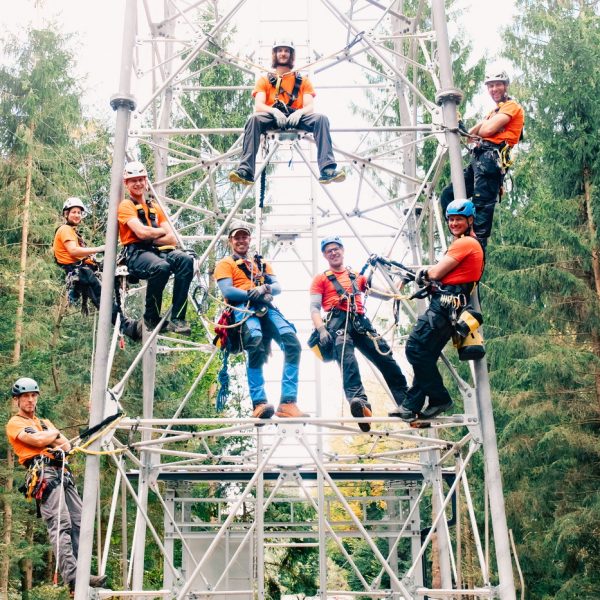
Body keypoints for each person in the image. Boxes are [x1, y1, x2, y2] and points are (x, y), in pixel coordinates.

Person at [5, 378, 106, 591]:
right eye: (25, 396)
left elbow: (66, 446)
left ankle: (82, 572)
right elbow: (38, 442)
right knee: (61, 524)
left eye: (33, 395)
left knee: (80, 523)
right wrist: (54, 436)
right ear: (17, 400)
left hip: (62, 472)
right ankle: (73, 577)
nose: (30, 400)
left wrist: (50, 436)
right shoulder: (15, 423)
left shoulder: (44, 423)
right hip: (44, 474)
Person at [390, 199, 484, 422]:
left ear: (470, 220)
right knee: (425, 354)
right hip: (451, 304)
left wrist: (425, 273)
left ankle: (439, 398)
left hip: (445, 303)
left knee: (415, 349)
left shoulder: (465, 243)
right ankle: (411, 405)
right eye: (451, 220)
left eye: (459, 219)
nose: (453, 223)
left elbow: (435, 273)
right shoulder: (470, 244)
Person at [310, 236, 409, 432]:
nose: (333, 253)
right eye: (329, 251)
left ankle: (407, 403)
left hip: (360, 322)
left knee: (385, 359)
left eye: (336, 249)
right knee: (348, 363)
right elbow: (314, 308)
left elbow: (387, 295)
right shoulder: (320, 279)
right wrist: (321, 329)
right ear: (325, 255)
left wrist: (402, 281)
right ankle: (360, 405)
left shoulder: (357, 276)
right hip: (338, 324)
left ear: (342, 250)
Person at [214, 220, 306, 420]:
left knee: (292, 343)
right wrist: (251, 293)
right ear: (230, 241)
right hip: (243, 308)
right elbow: (227, 290)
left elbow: (278, 286)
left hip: (265, 307)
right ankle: (259, 403)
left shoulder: (260, 263)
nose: (241, 241)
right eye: (237, 238)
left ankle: (288, 402)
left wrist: (266, 288)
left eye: (244, 237)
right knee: (255, 345)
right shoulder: (226, 264)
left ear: (249, 239)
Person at [229, 40, 345, 186]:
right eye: (280, 50)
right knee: (254, 120)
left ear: (291, 55)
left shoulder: (302, 81)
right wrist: (274, 111)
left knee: (321, 119)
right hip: (272, 116)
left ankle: (327, 169)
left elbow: (310, 106)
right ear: (275, 54)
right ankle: (246, 170)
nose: (283, 54)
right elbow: (259, 105)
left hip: (296, 117)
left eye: (286, 51)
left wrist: (299, 113)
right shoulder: (265, 80)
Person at [439, 70, 524, 249]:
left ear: (506, 86)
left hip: (490, 161)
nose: (494, 89)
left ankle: (475, 251)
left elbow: (485, 131)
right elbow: (471, 136)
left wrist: (484, 128)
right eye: (490, 86)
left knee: (481, 211)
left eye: (498, 85)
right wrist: (480, 127)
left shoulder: (511, 107)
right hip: (479, 160)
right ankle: (461, 237)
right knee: (448, 195)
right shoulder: (494, 112)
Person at [117, 161, 194, 335]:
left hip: (157, 252)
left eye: (141, 179)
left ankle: (178, 318)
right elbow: (141, 232)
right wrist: (158, 233)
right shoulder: (126, 206)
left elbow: (172, 238)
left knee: (185, 260)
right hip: (136, 254)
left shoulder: (155, 208)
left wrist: (149, 235)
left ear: (146, 181)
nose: (138, 183)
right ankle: (151, 317)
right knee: (161, 267)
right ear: (126, 183)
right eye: (133, 180)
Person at [53, 197, 140, 340]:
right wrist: (99, 248)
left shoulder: (72, 232)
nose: (77, 215)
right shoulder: (65, 230)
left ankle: (131, 276)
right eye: (74, 212)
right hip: (81, 273)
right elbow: (73, 251)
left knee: (111, 279)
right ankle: (127, 327)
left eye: (79, 213)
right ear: (66, 214)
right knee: (104, 300)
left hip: (83, 270)